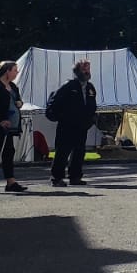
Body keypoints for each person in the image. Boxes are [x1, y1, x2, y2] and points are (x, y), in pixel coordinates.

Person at [49, 59, 97, 188]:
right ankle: (57, 178)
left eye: (88, 69)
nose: (87, 71)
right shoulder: (68, 86)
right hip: (67, 125)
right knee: (62, 151)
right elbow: (54, 102)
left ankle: (75, 176)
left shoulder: (90, 88)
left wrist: (91, 119)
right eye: (84, 69)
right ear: (77, 71)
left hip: (82, 126)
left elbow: (92, 105)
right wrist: (61, 117)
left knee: (79, 151)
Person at [0, 61, 27, 194]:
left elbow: (18, 100)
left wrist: (20, 103)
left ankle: (11, 182)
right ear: (7, 71)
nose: (17, 73)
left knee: (8, 153)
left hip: (9, 127)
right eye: (15, 70)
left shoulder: (13, 86)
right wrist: (0, 120)